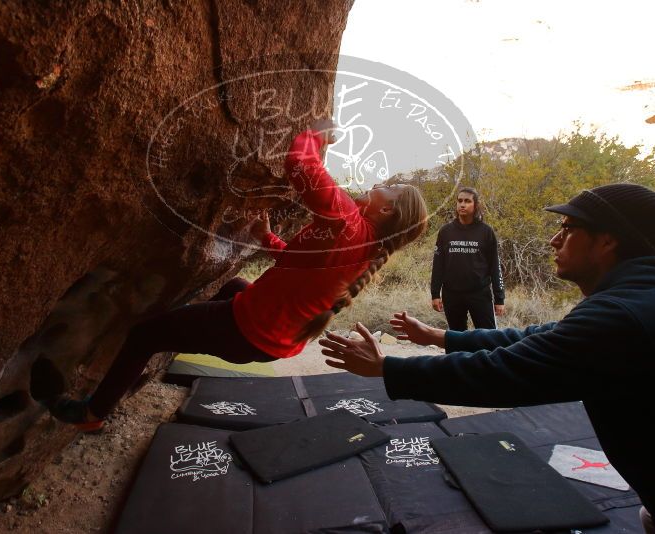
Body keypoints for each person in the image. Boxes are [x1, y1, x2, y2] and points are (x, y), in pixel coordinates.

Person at [319, 183, 655, 533]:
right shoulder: (648, 297)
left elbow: (503, 372)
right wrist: (441, 337)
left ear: (607, 242)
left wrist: (388, 367)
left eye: (569, 229)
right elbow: (535, 337)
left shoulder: (625, 315)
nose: (555, 240)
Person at [48, 119, 428, 432]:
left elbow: (301, 165)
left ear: (387, 213)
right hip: (272, 339)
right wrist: (267, 237)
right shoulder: (362, 250)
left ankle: (91, 415)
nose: (384, 183)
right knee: (232, 286)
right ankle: (189, 332)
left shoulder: (347, 221)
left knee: (144, 334)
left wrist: (315, 133)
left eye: (391, 189)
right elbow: (301, 268)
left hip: (247, 330)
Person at [431, 187, 505, 330]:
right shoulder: (446, 232)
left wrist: (499, 298)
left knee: (488, 338)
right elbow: (438, 265)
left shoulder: (486, 232)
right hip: (452, 295)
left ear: (475, 205)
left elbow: (495, 267)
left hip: (480, 294)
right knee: (456, 339)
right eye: (459, 201)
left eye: (467, 201)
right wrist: (435, 294)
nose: (462, 204)